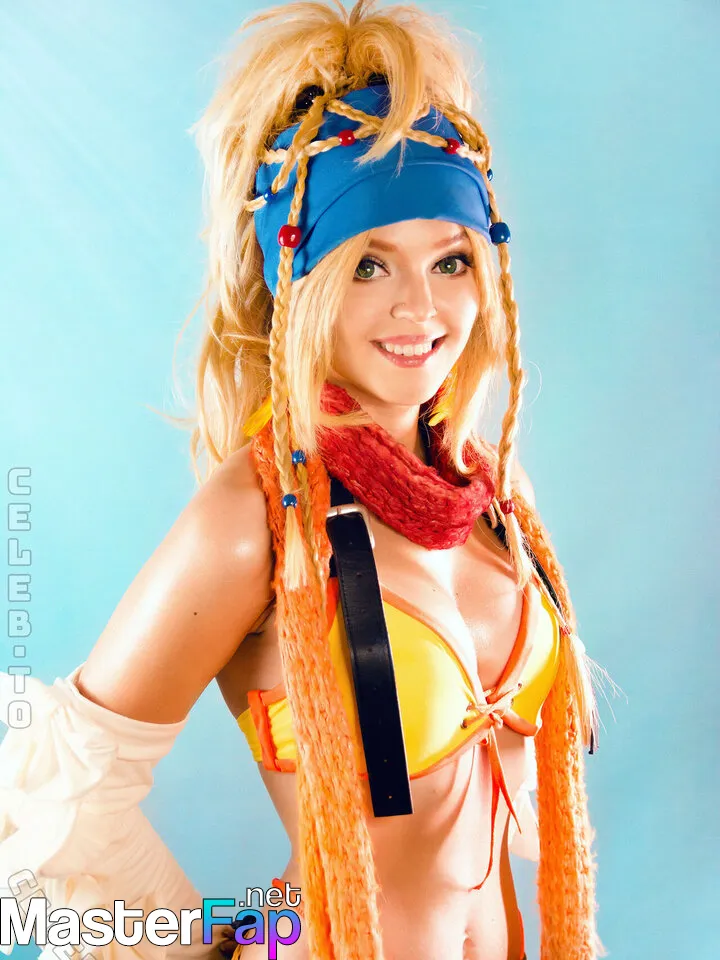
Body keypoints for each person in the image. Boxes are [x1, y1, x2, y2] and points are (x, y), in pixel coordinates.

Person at [0, 1, 611, 958]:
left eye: (450, 259)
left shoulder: (491, 496)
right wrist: (195, 947)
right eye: (368, 265)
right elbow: (55, 795)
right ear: (301, 280)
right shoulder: (258, 520)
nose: (420, 308)